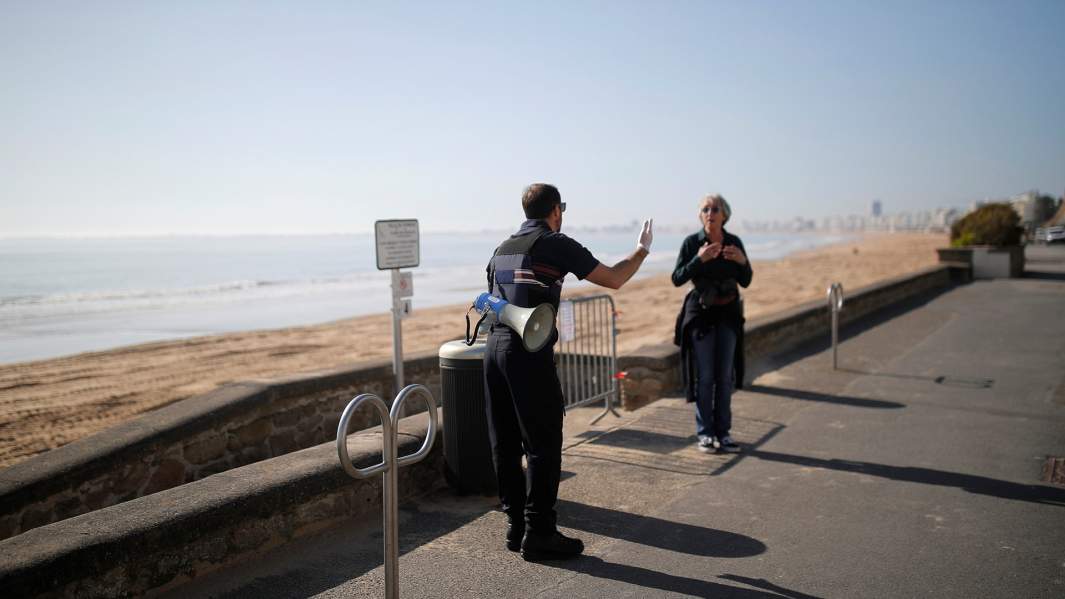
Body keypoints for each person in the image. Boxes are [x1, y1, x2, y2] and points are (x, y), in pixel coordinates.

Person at [484, 183, 653, 561]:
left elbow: (494, 302)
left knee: (506, 443)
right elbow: (614, 278)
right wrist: (642, 250)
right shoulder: (556, 243)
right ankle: (540, 533)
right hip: (527, 353)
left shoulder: (502, 249)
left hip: (493, 350)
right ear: (556, 210)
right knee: (543, 444)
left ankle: (516, 527)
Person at [672, 193, 752, 454]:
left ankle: (724, 433)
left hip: (728, 314)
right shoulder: (692, 243)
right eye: (705, 209)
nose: (709, 212)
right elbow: (677, 278)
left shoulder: (733, 242)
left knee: (724, 377)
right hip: (701, 315)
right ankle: (705, 434)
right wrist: (699, 259)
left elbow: (747, 280)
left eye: (714, 208)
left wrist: (741, 261)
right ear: (700, 215)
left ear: (724, 214)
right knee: (705, 377)